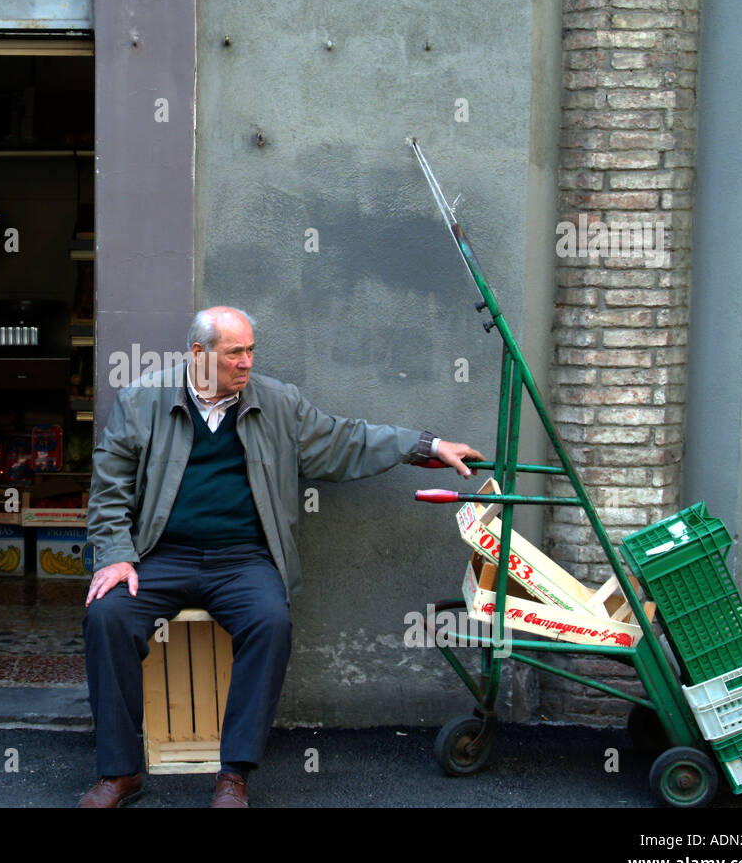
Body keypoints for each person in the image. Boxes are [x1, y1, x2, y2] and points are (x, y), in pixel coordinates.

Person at [78, 306, 483, 807]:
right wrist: (118, 556)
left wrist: (428, 445)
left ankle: (234, 775)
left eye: (251, 351)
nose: (247, 363)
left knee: (271, 622)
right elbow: (109, 488)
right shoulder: (143, 400)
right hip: (161, 556)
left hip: (243, 559)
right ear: (200, 355)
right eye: (235, 353)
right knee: (108, 615)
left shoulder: (277, 403)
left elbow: (346, 440)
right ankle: (120, 773)